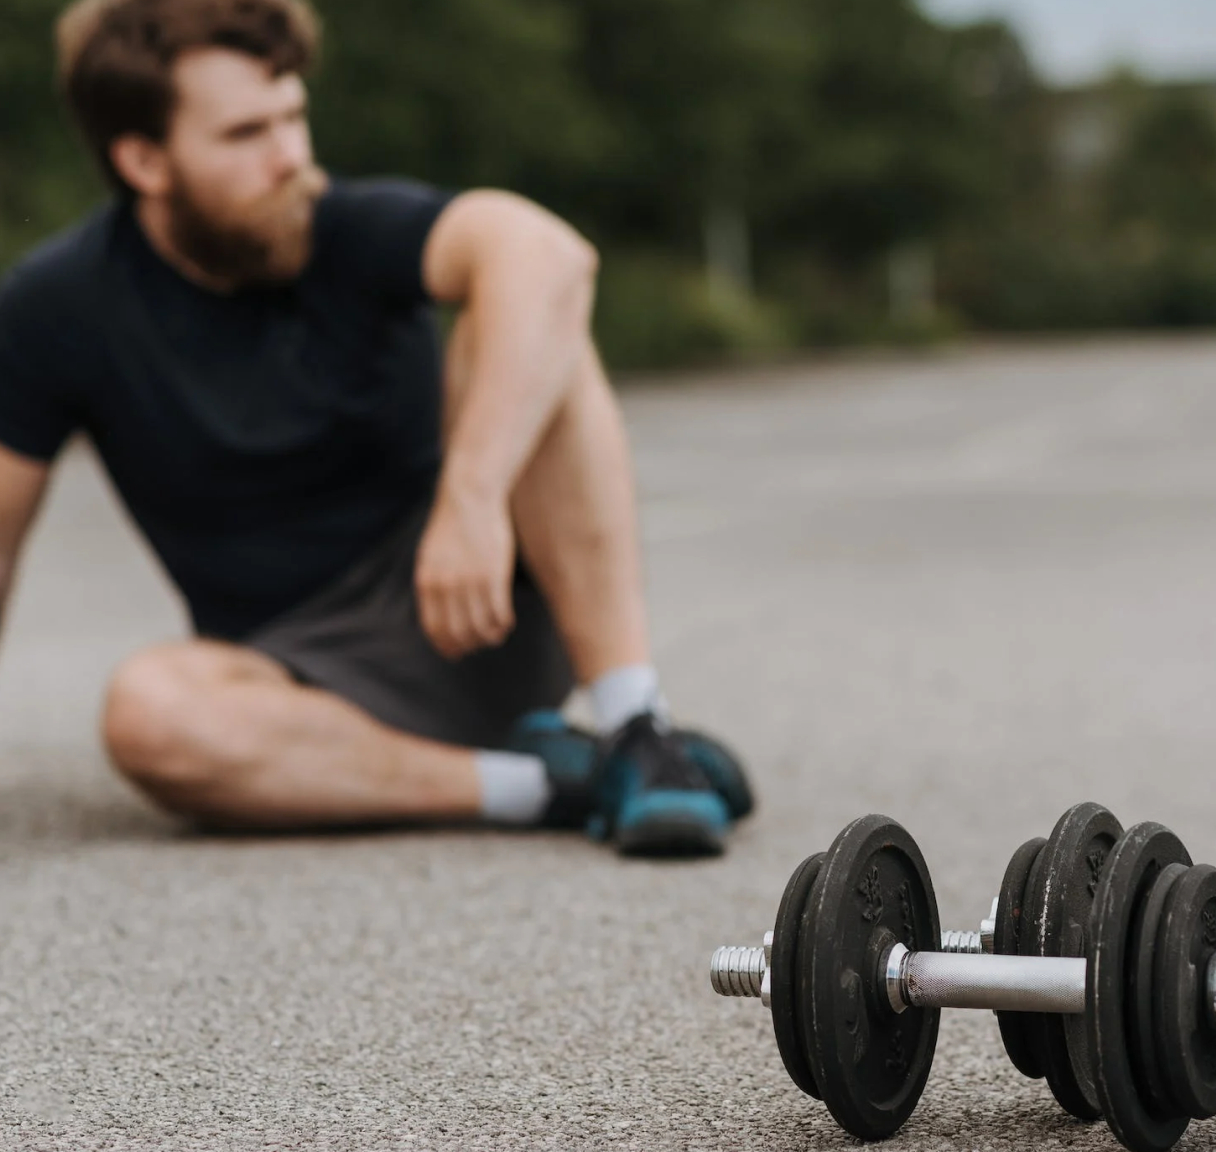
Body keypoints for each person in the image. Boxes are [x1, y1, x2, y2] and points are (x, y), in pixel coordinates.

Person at [0, 0, 753, 855]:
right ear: (144, 159)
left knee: (540, 323)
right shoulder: (54, 307)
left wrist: (470, 497)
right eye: (248, 134)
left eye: (294, 116)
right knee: (147, 711)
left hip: (476, 600)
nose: (292, 158)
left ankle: (635, 729)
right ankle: (551, 784)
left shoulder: (350, 227)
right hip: (309, 687)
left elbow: (550, 254)